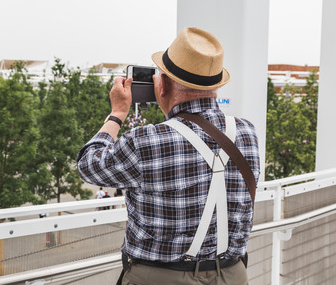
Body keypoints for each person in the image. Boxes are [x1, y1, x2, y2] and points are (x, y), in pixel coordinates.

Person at [77, 27, 260, 285]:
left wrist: (117, 112)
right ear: (215, 88)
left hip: (160, 277)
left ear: (161, 85)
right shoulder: (247, 133)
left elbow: (89, 164)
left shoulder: (146, 141)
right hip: (232, 275)